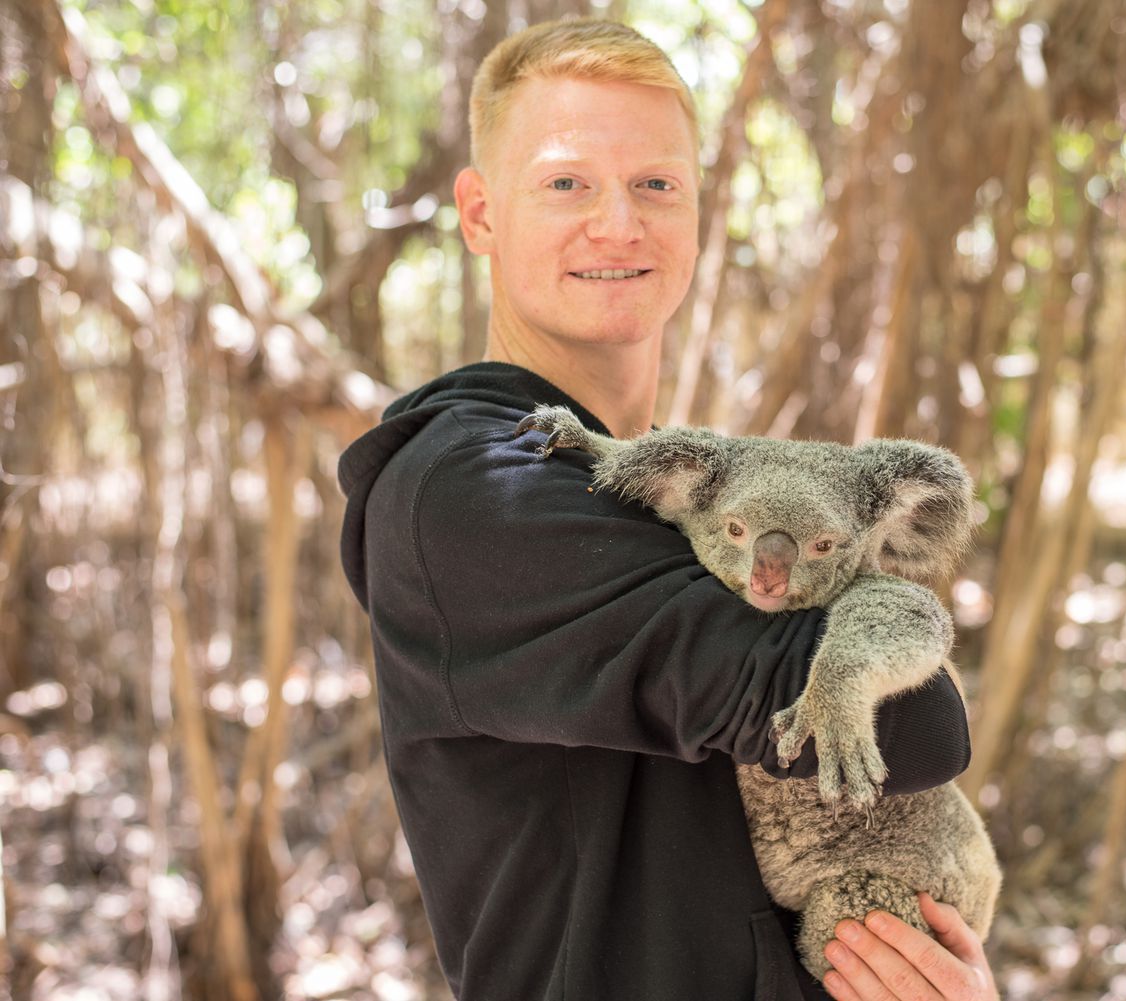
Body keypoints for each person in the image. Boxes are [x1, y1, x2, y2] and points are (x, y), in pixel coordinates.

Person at [337, 18, 999, 1001]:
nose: (618, 224)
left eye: (657, 184)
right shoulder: (473, 483)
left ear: (699, 210)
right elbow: (916, 728)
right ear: (479, 213)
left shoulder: (687, 497)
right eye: (566, 183)